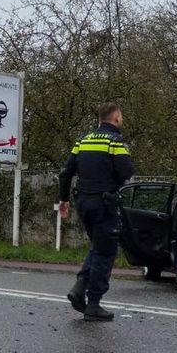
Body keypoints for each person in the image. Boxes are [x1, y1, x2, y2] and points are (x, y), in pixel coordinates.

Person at [58, 103, 134, 322]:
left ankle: (79, 289)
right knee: (105, 252)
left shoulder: (82, 141)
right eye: (121, 117)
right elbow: (127, 170)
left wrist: (63, 199)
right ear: (116, 118)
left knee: (97, 247)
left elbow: (66, 172)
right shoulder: (115, 142)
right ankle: (93, 303)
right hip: (105, 203)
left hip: (83, 203)